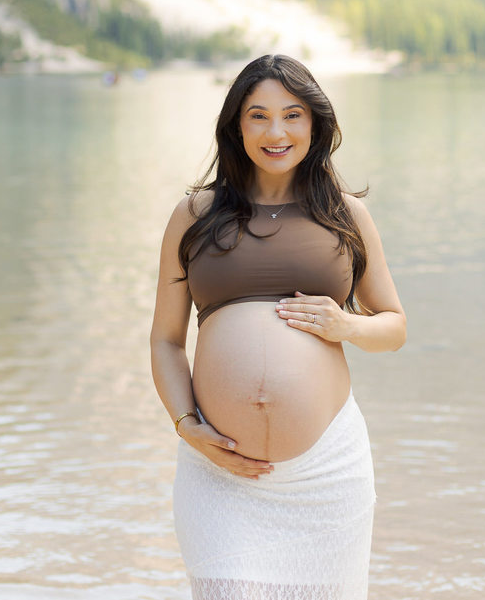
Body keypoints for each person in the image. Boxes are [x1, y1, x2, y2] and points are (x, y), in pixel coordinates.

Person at [150, 54, 406, 599]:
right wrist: (185, 425)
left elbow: (394, 325)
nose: (276, 132)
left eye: (292, 115)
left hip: (327, 473)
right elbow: (167, 340)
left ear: (315, 124)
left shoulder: (345, 215)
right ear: (235, 124)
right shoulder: (194, 215)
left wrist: (347, 326)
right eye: (258, 115)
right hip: (220, 473)